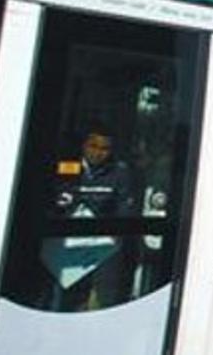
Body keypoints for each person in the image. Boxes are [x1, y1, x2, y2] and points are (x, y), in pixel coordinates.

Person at [47, 128, 137, 310]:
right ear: (84, 146)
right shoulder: (66, 168)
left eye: (104, 148)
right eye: (93, 146)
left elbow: (124, 212)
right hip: (66, 248)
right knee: (63, 300)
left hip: (102, 249)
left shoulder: (120, 174)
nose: (98, 153)